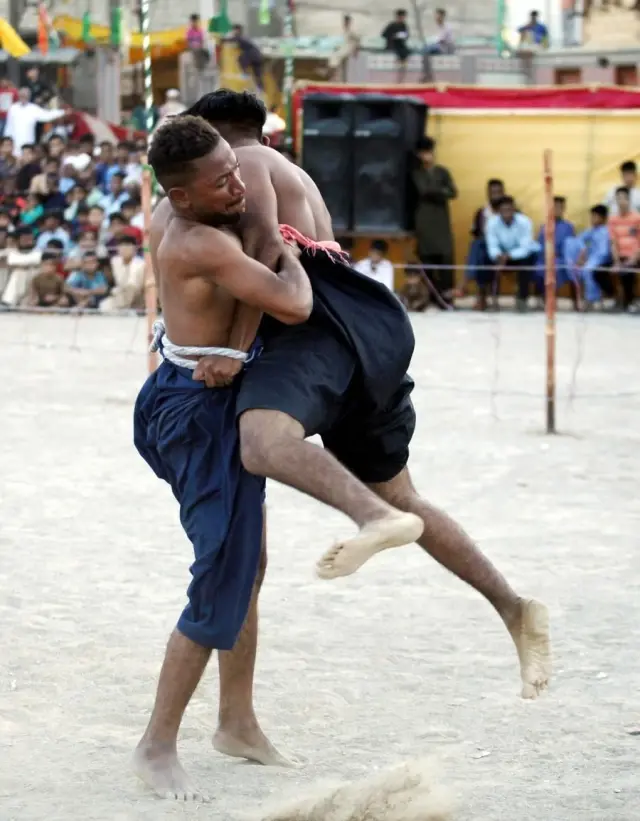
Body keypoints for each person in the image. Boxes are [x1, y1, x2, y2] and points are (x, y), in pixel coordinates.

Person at [185, 89, 551, 760]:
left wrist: (233, 349)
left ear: (218, 138)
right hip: (369, 323)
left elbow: (267, 252)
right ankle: (513, 605)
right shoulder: (291, 168)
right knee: (401, 495)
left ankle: (367, 525)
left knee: (262, 444)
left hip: (314, 322)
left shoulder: (245, 161)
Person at [133, 116, 420, 801]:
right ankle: (155, 743)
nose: (241, 184)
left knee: (246, 563)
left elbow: (247, 309)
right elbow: (292, 302)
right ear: (183, 196)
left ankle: (235, 722)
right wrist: (292, 248)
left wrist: (236, 341)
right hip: (191, 414)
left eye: (237, 168)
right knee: (225, 567)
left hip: (201, 392)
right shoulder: (199, 238)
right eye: (223, 180)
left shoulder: (219, 216)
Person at [412, 136, 457, 308]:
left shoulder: (442, 172)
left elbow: (453, 192)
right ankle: (431, 297)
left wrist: (437, 192)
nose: (428, 156)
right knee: (427, 259)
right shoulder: (416, 173)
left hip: (442, 221)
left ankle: (446, 298)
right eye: (424, 153)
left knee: (446, 259)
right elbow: (424, 191)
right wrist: (441, 191)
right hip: (424, 221)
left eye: (430, 152)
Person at [485, 195, 540, 311]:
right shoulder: (492, 223)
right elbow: (492, 245)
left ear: (514, 209)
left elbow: (525, 247)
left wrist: (509, 255)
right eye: (503, 210)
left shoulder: (525, 222)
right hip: (500, 255)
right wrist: (498, 255)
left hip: (520, 256)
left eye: (509, 210)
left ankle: (522, 299)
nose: (507, 213)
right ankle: (492, 299)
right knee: (485, 258)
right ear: (499, 211)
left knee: (528, 260)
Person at [564, 204, 612, 307]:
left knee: (587, 270)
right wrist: (582, 252)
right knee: (569, 242)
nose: (592, 219)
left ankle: (591, 299)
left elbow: (603, 252)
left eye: (595, 216)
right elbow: (579, 240)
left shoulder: (605, 231)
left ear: (603, 218)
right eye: (592, 216)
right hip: (590, 258)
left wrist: (588, 259)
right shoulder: (591, 230)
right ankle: (580, 298)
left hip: (602, 259)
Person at [3, 87, 65, 154]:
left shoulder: (33, 108)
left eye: (25, 95)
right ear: (19, 96)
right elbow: (9, 125)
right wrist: (6, 138)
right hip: (14, 139)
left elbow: (46, 116)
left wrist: (62, 112)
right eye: (22, 95)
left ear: (29, 97)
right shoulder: (13, 108)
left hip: (28, 139)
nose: (24, 97)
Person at [607, 186, 640, 311]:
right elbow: (613, 242)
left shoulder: (637, 218)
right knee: (602, 270)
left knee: (628, 269)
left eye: (623, 198)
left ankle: (629, 301)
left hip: (635, 255)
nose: (621, 201)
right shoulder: (612, 220)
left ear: (629, 200)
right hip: (620, 255)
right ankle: (616, 299)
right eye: (618, 199)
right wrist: (616, 261)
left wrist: (633, 258)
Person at [382, 9, 410, 82]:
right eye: (401, 17)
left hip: (401, 44)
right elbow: (383, 34)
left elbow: (407, 35)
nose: (402, 19)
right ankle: (398, 71)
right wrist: (394, 36)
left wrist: (403, 36)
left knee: (406, 51)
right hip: (392, 44)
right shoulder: (392, 25)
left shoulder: (404, 25)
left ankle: (402, 72)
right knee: (399, 52)